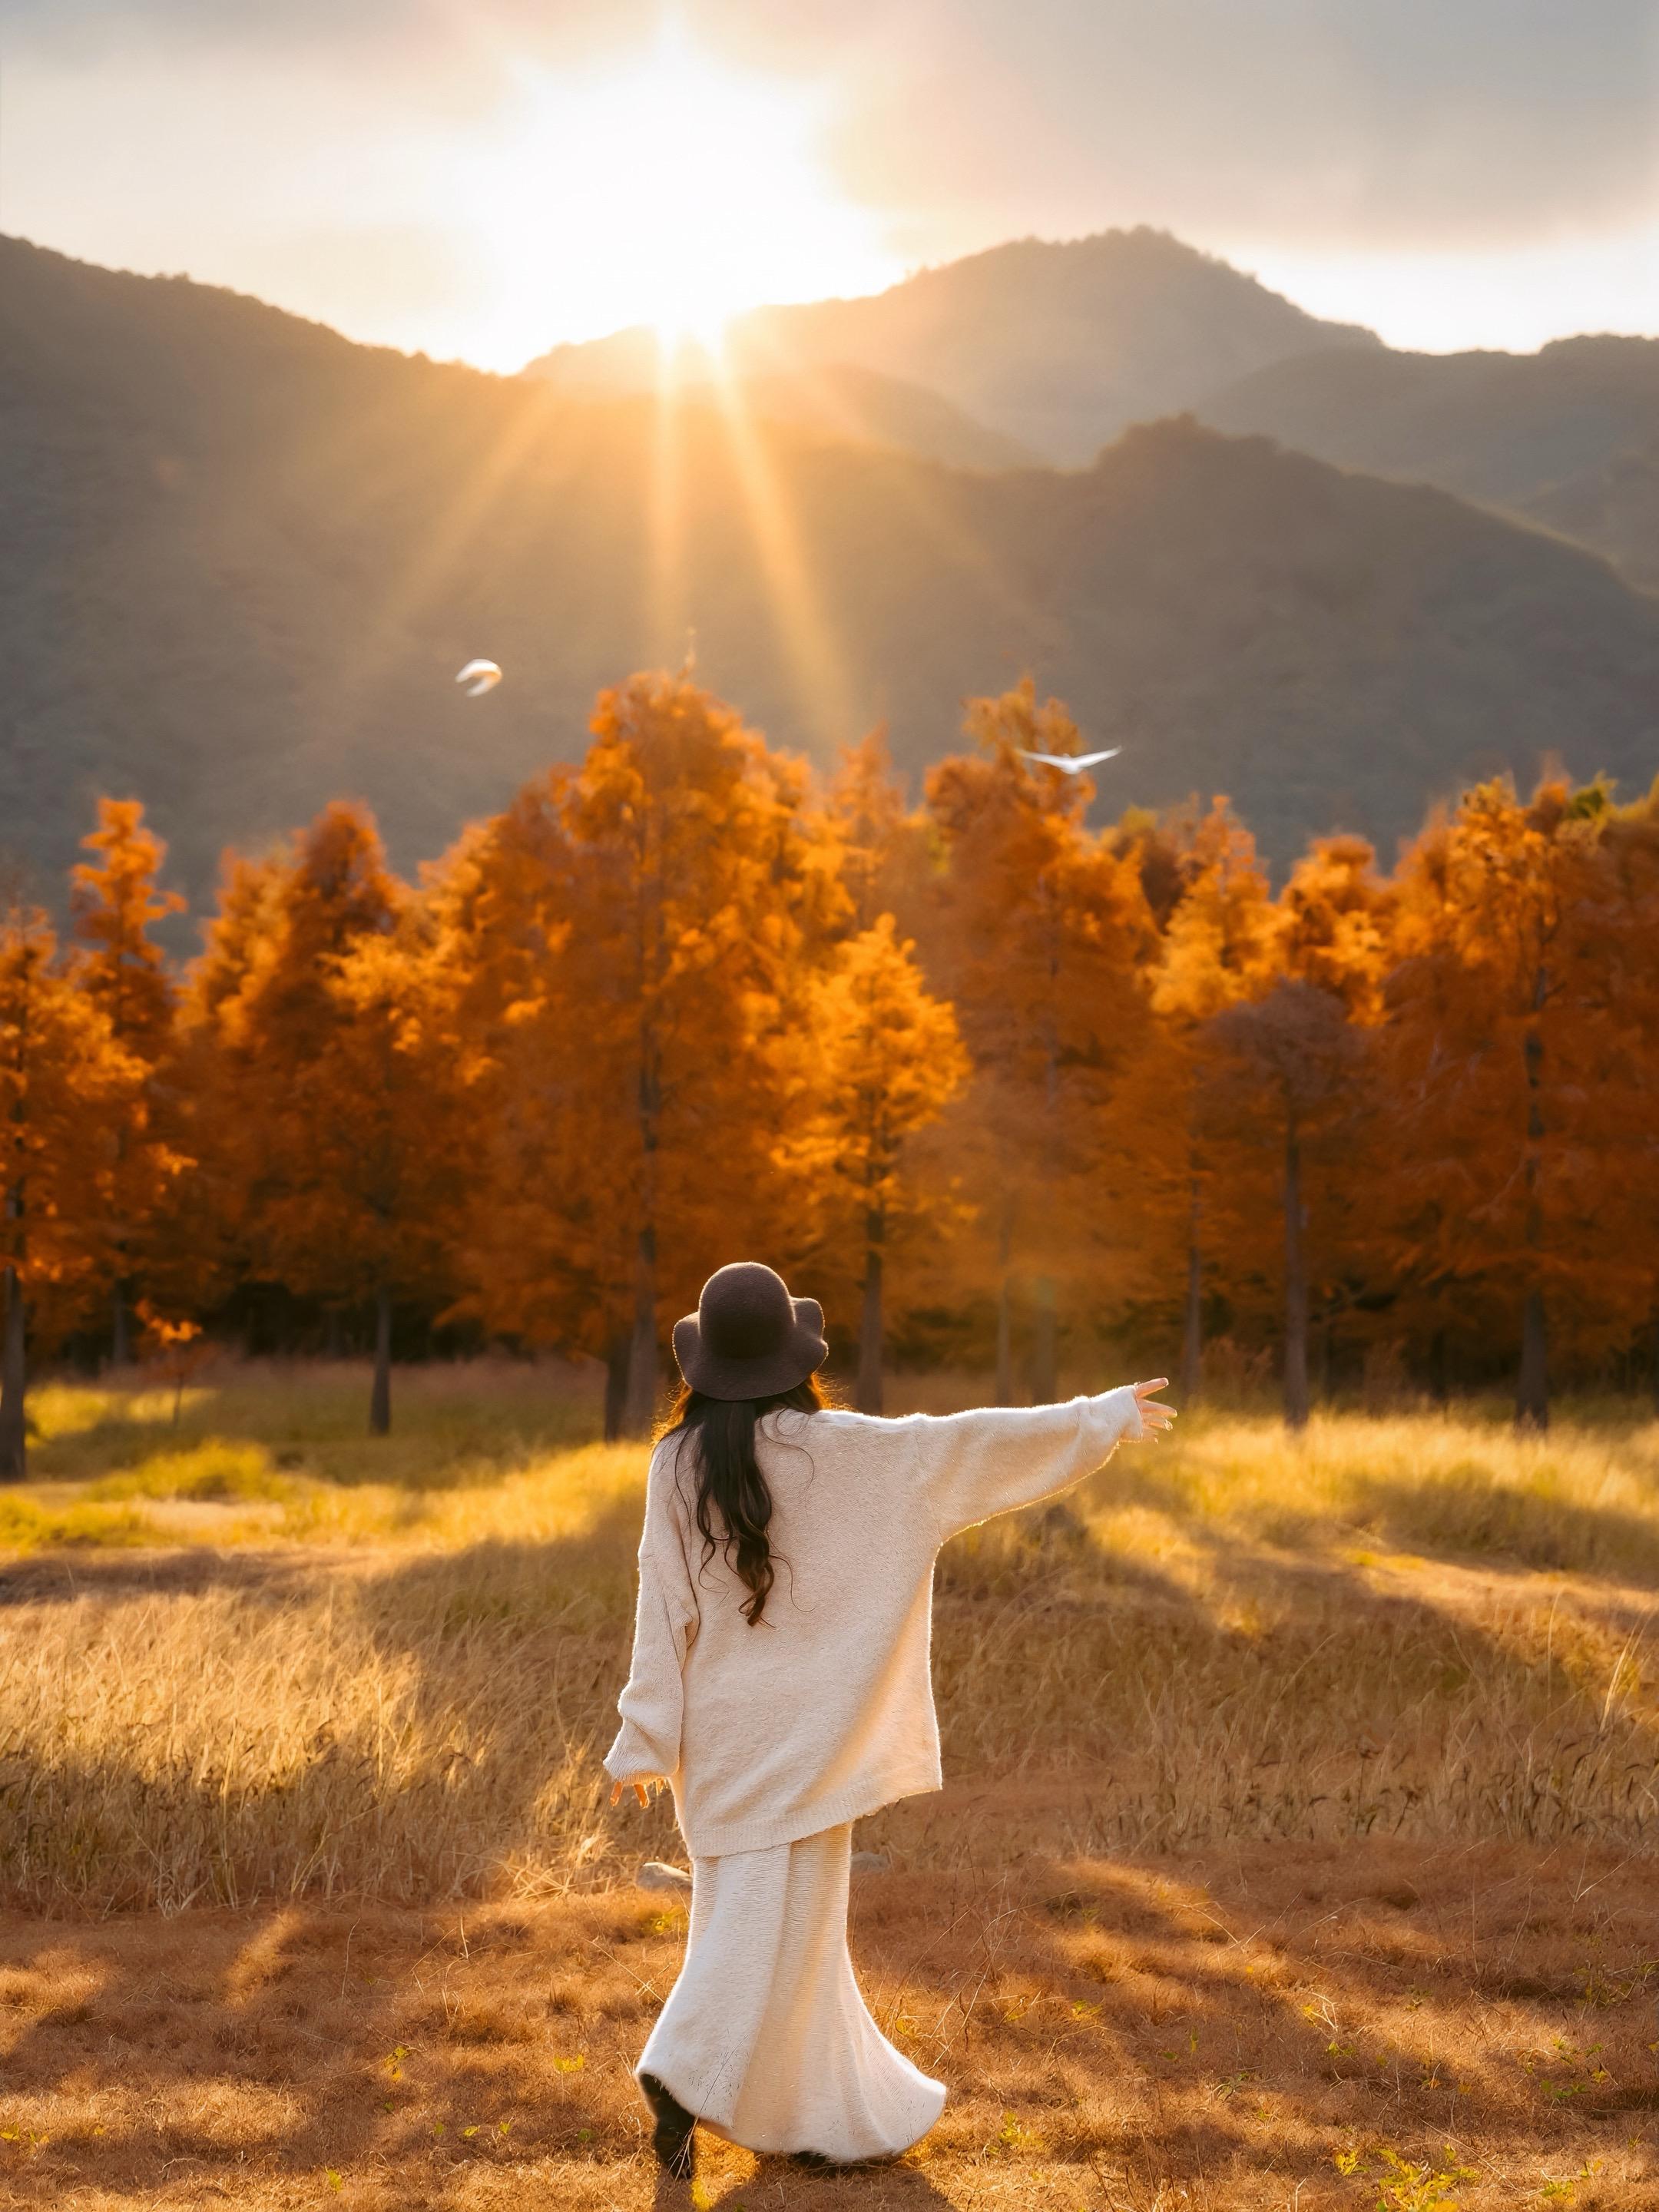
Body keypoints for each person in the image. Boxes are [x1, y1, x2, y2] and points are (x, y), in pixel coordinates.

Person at [606, 1260, 1175, 2177]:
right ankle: (678, 2073)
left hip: (718, 1745)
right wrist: (1096, 1416)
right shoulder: (859, 1454)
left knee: (764, 1926)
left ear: (706, 1364)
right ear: (796, 1359)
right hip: (815, 1741)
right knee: (762, 1923)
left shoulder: (674, 1463)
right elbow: (973, 1444)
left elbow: (659, 1606)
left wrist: (645, 1737)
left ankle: (819, 2122)